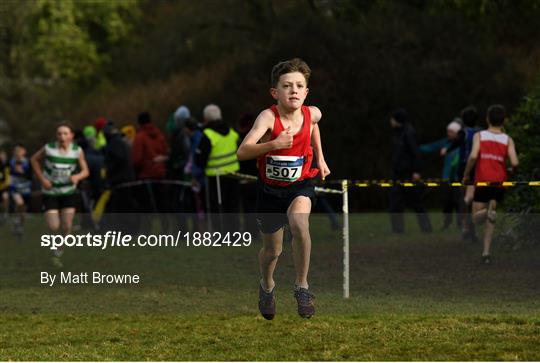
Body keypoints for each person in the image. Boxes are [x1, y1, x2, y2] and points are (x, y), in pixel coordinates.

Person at [237, 58, 331, 320]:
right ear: (274, 92)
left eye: (300, 86)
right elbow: (242, 151)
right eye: (287, 85)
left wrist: (321, 158)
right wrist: (274, 144)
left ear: (306, 92)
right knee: (272, 251)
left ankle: (302, 286)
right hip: (269, 191)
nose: (294, 91)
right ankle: (267, 286)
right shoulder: (268, 117)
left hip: (300, 184)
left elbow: (314, 125)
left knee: (300, 224)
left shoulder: (312, 113)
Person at [462, 105, 519, 264]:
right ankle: (486, 253)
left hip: (483, 180)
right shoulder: (508, 139)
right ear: (504, 121)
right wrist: (510, 170)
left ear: (487, 119)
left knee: (476, 218)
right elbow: (515, 162)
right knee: (491, 219)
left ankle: (487, 212)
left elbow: (473, 156)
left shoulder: (479, 136)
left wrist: (466, 175)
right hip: (500, 181)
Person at [31, 122, 89, 268]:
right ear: (56, 136)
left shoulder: (77, 151)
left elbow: (85, 171)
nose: (62, 136)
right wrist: (43, 179)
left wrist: (77, 177)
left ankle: (57, 254)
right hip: (50, 192)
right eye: (59, 134)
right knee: (53, 226)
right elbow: (33, 160)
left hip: (68, 192)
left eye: (65, 133)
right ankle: (54, 247)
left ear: (71, 136)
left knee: (67, 227)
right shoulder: (49, 149)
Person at [194, 104, 241, 231]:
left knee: (217, 208)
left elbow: (200, 159)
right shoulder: (232, 132)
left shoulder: (208, 135)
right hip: (233, 174)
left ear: (206, 119)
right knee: (232, 207)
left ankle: (220, 235)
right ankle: (234, 234)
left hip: (215, 177)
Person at [389, 108, 432, 234]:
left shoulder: (409, 133)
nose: (390, 121)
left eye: (392, 118)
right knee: (395, 202)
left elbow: (416, 153)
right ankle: (398, 230)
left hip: (408, 174)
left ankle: (426, 228)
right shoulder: (398, 133)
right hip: (398, 173)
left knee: (416, 201)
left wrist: (417, 171)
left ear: (397, 120)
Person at [420, 119, 462, 229]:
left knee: (458, 201)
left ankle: (460, 223)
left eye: (451, 132)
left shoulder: (463, 144)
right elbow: (431, 147)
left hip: (459, 179)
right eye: (448, 131)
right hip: (446, 178)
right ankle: (447, 222)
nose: (448, 134)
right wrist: (416, 149)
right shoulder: (445, 142)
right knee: (446, 202)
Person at [9, 143, 33, 236]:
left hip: (26, 189)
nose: (17, 153)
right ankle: (16, 221)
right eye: (16, 151)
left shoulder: (28, 162)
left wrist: (22, 173)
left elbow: (31, 176)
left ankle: (18, 225)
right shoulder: (10, 162)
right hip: (14, 188)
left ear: (24, 152)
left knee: (23, 212)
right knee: (19, 203)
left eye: (19, 151)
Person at [0, 150, 10, 224]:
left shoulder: (8, 164)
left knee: (5, 197)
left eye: (3, 156)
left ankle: (5, 214)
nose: (2, 157)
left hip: (5, 187)